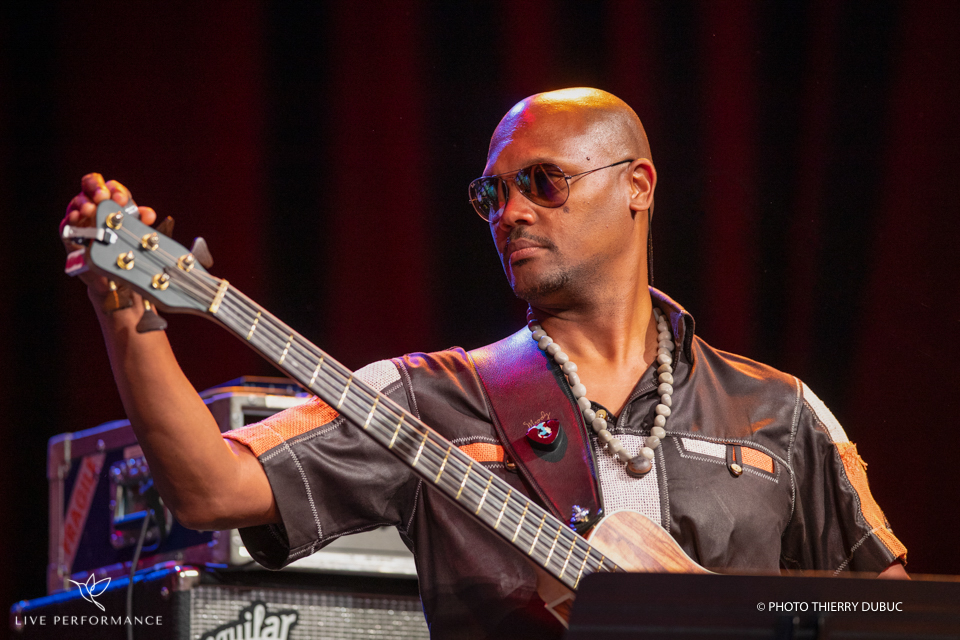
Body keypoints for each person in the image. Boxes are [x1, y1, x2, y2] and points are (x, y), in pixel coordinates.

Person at [61, 88, 907, 640]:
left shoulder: (778, 410)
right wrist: (126, 317)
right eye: (492, 194)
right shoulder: (426, 398)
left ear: (638, 185)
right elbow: (210, 490)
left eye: (543, 183)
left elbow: (893, 614)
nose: (510, 213)